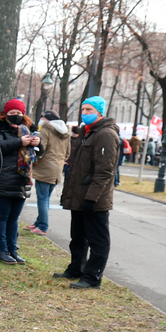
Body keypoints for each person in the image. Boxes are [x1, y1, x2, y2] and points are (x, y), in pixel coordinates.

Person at [56, 96, 117, 289]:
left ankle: (92, 277)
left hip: (94, 197)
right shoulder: (87, 132)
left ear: (100, 112)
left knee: (98, 239)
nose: (85, 113)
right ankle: (76, 268)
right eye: (83, 109)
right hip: (80, 195)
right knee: (78, 236)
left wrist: (91, 198)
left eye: (89, 110)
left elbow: (104, 170)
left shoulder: (105, 134)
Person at [0, 98, 36, 264]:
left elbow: (37, 153)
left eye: (18, 112)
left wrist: (38, 144)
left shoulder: (28, 129)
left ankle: (13, 249)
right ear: (5, 113)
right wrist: (20, 142)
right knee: (1, 216)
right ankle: (1, 250)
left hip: (22, 180)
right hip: (4, 178)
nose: (15, 115)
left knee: (14, 218)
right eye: (12, 112)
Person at [30, 110, 68, 233]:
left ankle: (43, 226)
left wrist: (33, 164)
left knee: (42, 199)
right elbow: (67, 153)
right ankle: (38, 222)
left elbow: (40, 150)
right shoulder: (65, 133)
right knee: (46, 198)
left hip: (45, 168)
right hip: (57, 169)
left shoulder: (45, 131)